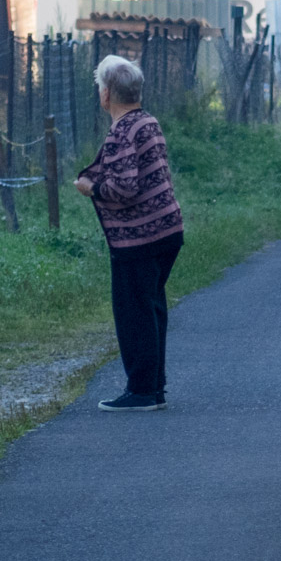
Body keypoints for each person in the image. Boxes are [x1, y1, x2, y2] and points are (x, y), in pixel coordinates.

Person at [75, 55, 184, 411]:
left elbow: (125, 187)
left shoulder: (122, 131)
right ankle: (154, 387)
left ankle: (140, 391)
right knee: (151, 308)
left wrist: (92, 188)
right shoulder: (147, 122)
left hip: (139, 238)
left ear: (106, 94)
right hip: (167, 230)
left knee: (133, 312)